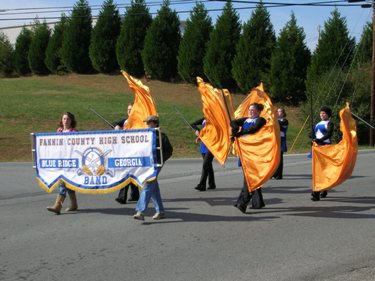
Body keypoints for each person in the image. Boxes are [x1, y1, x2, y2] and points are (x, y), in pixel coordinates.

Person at [133, 115, 173, 220]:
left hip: (156, 164)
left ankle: (140, 211)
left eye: (149, 122)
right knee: (153, 187)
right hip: (146, 164)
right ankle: (160, 211)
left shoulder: (162, 136)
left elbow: (169, 151)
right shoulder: (144, 136)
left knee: (148, 184)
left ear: (155, 123)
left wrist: (160, 159)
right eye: (146, 122)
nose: (146, 124)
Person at [231, 103, 267, 213]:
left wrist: (240, 133)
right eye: (249, 110)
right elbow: (233, 122)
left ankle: (242, 203)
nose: (250, 112)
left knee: (248, 179)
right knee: (251, 178)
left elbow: (253, 129)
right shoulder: (246, 120)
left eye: (253, 110)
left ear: (258, 111)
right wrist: (235, 130)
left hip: (254, 153)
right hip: (245, 152)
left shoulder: (261, 120)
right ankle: (258, 202)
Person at [46, 112, 78, 215]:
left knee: (62, 183)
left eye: (68, 119)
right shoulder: (59, 131)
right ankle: (74, 204)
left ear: (71, 121)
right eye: (64, 119)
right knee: (67, 183)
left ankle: (57, 205)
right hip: (60, 161)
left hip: (70, 162)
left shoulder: (74, 132)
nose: (66, 121)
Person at [114, 103, 140, 204]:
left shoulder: (137, 121)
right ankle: (135, 195)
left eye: (131, 109)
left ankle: (122, 197)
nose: (129, 111)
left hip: (134, 151)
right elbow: (115, 123)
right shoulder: (125, 121)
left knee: (127, 172)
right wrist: (117, 127)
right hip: (124, 151)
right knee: (130, 173)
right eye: (128, 109)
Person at [309, 106, 334, 201]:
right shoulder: (317, 124)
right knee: (316, 171)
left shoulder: (330, 123)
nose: (322, 115)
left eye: (324, 113)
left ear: (328, 114)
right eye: (321, 113)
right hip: (317, 148)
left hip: (326, 148)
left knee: (324, 170)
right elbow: (311, 133)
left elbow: (329, 134)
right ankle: (316, 192)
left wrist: (320, 140)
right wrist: (312, 137)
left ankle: (323, 189)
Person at [190, 118, 216, 191]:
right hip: (204, 144)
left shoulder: (216, 118)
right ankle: (212, 184)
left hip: (212, 145)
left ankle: (201, 184)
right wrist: (197, 131)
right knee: (208, 165)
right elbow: (192, 124)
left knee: (205, 164)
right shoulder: (204, 119)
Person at [273, 108, 288, 180]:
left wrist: (274, 120)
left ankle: (279, 174)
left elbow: (282, 127)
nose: (279, 113)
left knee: (279, 157)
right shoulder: (275, 121)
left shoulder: (284, 121)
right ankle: (273, 173)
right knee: (273, 157)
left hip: (281, 140)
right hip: (274, 140)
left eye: (280, 112)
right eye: (277, 112)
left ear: (283, 113)